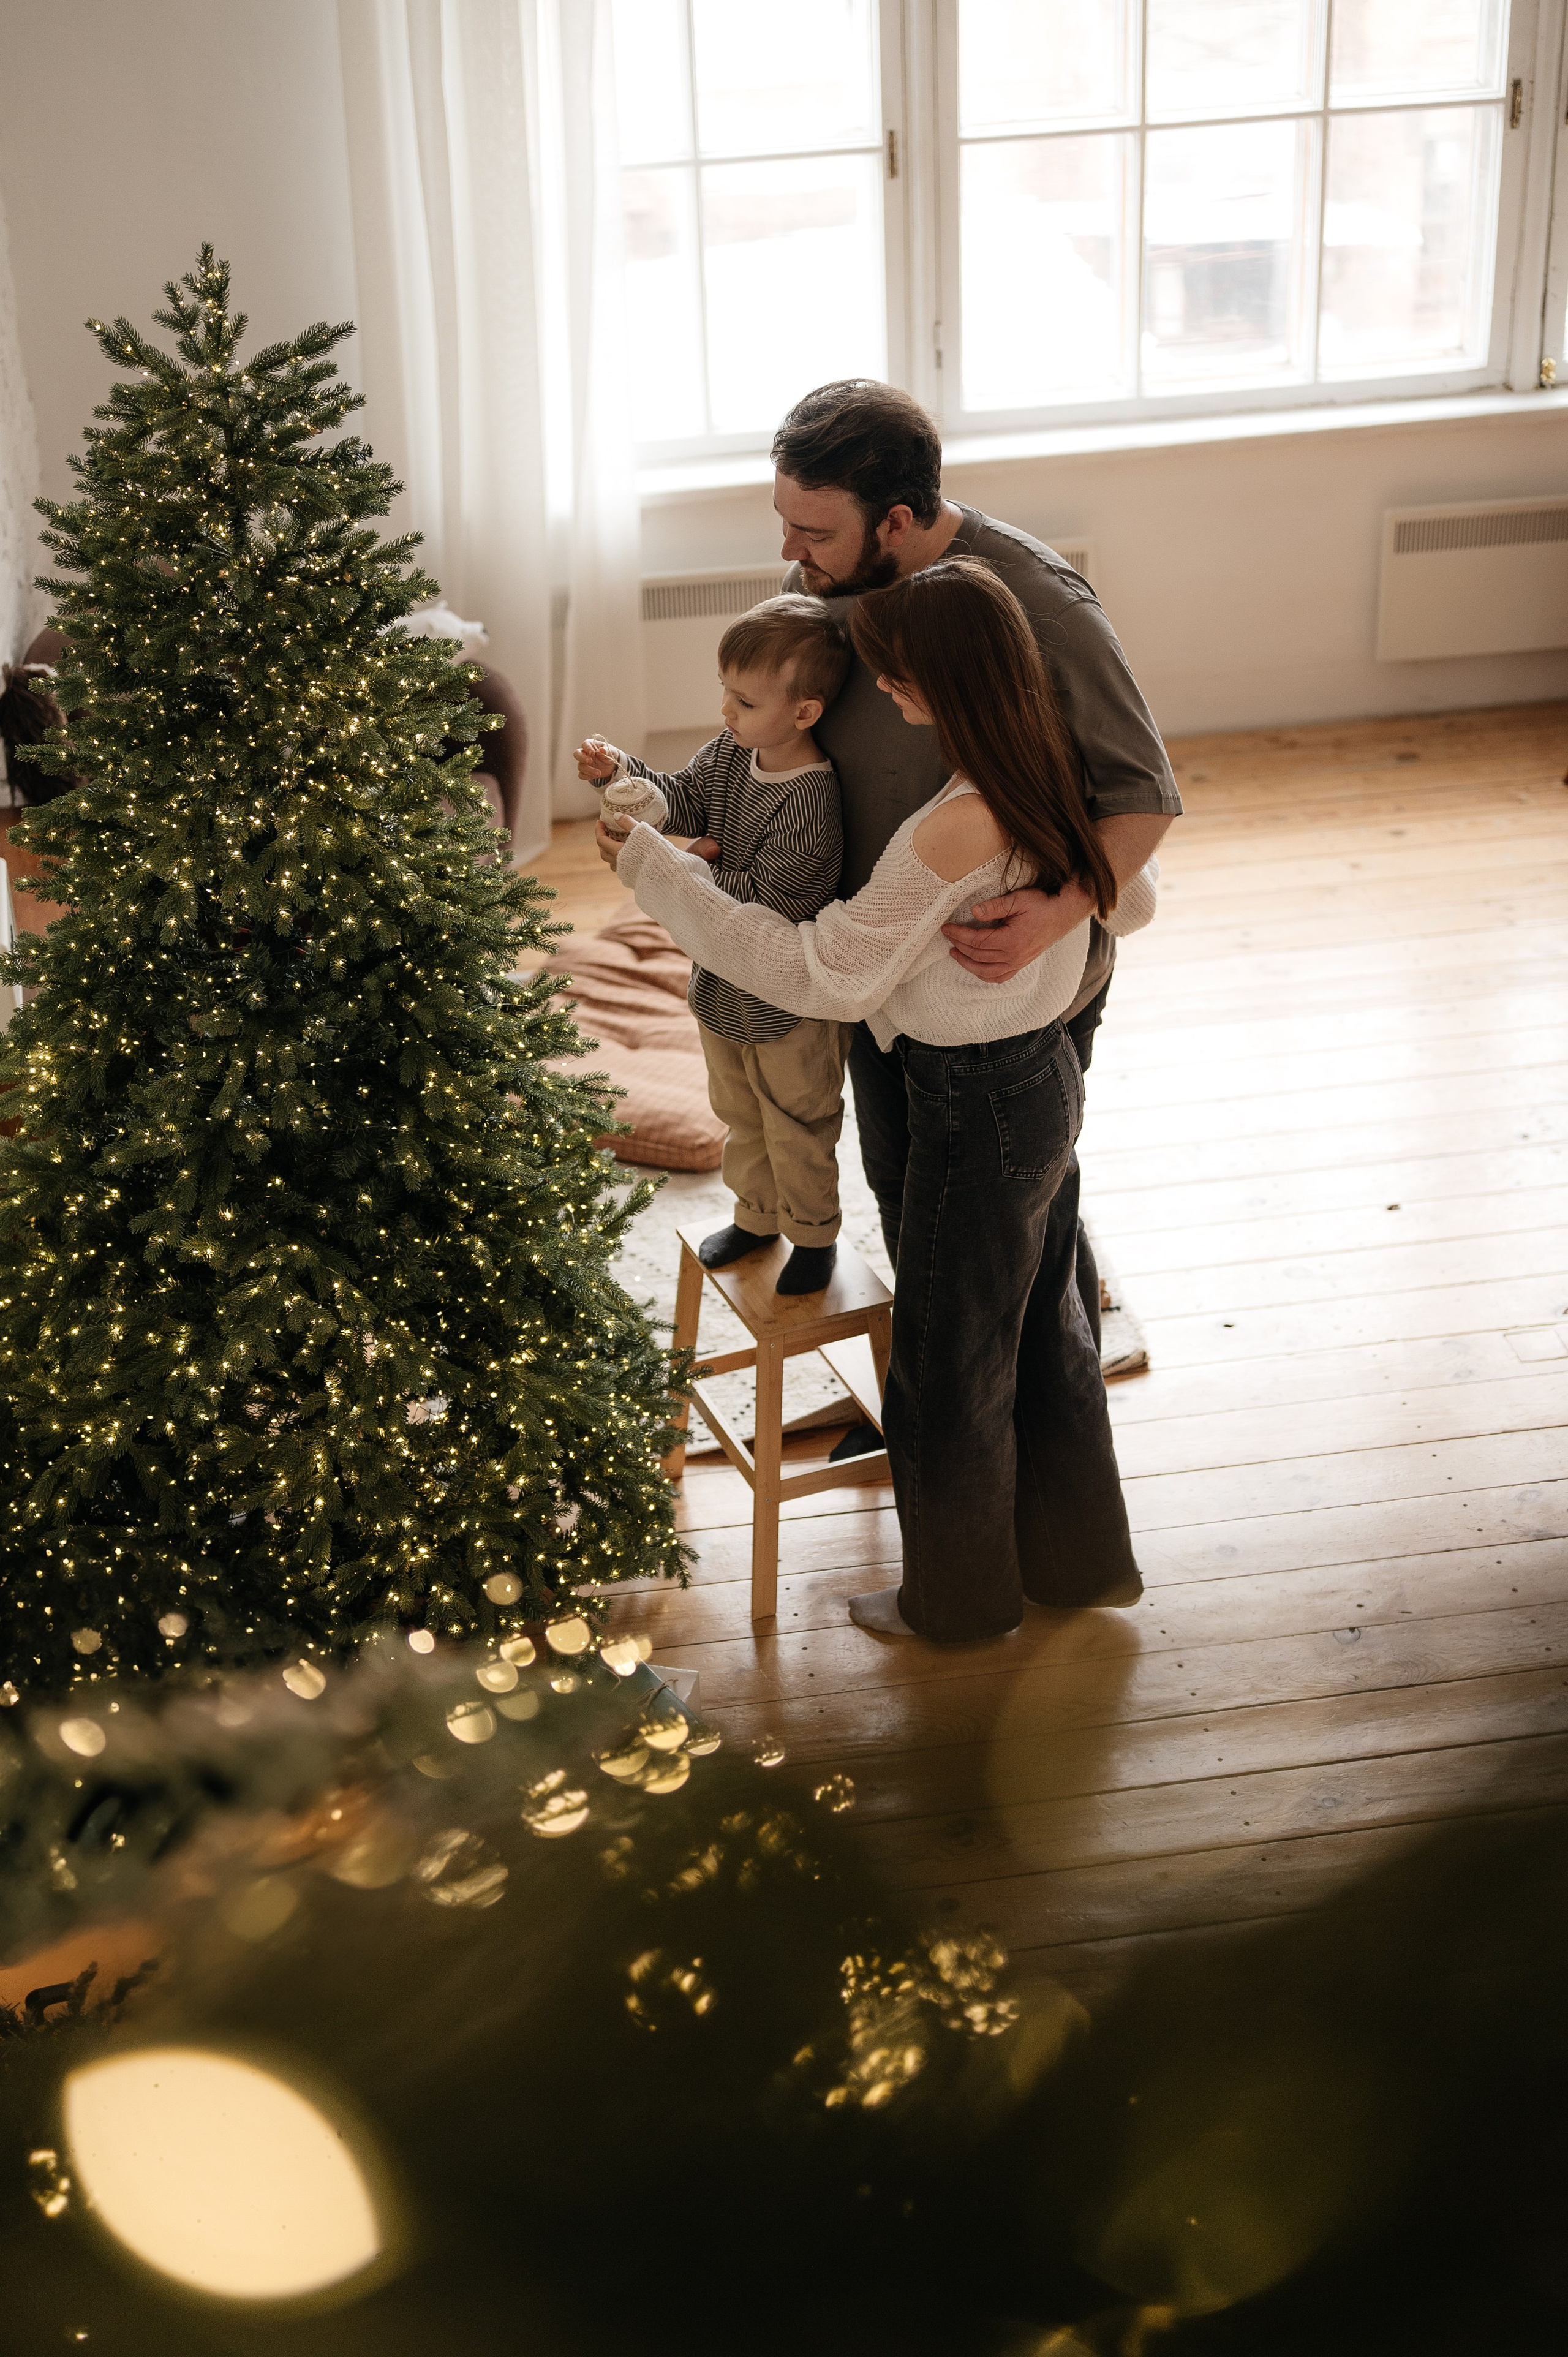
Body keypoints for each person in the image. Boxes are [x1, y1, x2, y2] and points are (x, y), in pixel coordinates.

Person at [600, 559, 1155, 1644]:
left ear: (945, 680)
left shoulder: (955, 822)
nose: (884, 696)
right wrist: (1048, 910)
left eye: (897, 679)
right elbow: (1133, 899)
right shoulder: (1045, 757)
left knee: (946, 1363)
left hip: (976, 1100)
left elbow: (823, 971)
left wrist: (661, 874)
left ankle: (954, 1602)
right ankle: (1079, 1562)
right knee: (1046, 1319)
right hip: (1040, 1075)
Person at [771, 379, 1180, 1370]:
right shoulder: (839, 580)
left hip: (1004, 974)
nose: (790, 552)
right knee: (914, 1201)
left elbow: (1143, 796)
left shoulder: (1038, 608)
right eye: (784, 523)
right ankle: (962, 1390)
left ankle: (1026, 1411)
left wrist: (1055, 914)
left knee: (1019, 1223)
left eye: (814, 532)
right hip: (888, 964)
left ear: (898, 521)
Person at [574, 595, 853, 1296]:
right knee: (737, 1111)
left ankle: (813, 1236)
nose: (726, 711)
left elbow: (773, 904)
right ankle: (756, 1215)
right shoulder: (733, 752)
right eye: (724, 692)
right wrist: (622, 777)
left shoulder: (811, 802)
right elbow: (683, 796)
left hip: (788, 1003)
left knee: (797, 1122)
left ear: (805, 713)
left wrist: (690, 864)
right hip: (720, 990)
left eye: (744, 700)